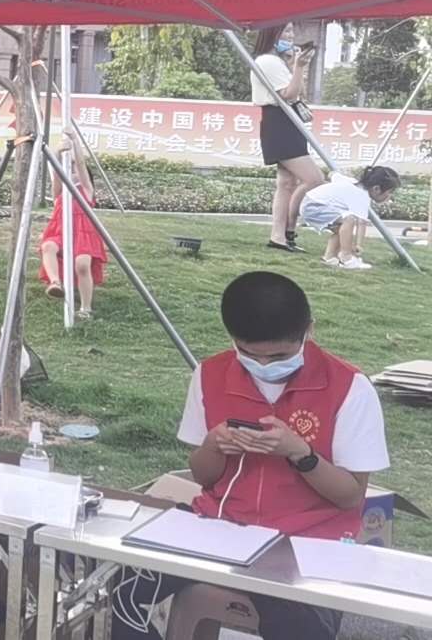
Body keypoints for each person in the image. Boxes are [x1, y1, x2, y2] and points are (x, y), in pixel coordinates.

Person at [112, 271, 388, 640]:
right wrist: (214, 445)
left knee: (298, 626)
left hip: (305, 542)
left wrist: (300, 453)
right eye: (249, 354)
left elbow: (350, 495)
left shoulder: (349, 388)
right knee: (120, 591)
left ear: (309, 330)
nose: (265, 365)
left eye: (280, 356)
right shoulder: (210, 374)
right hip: (219, 526)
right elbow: (204, 477)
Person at [251, 27, 324, 252]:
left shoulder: (278, 61)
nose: (290, 36)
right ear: (272, 32)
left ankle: (279, 237)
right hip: (280, 123)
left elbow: (297, 92)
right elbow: (288, 95)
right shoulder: (268, 61)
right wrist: (299, 67)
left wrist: (296, 67)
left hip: (286, 121)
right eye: (286, 31)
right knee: (314, 179)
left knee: (287, 184)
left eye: (292, 31)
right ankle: (289, 229)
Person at [39, 135, 106, 319]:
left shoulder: (86, 191)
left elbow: (82, 166)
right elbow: (56, 173)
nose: (73, 172)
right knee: (48, 246)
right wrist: (57, 153)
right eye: (70, 169)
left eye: (75, 169)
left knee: (82, 264)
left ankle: (85, 308)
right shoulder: (60, 194)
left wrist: (75, 143)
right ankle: (55, 283)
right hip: (60, 232)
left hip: (83, 234)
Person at [300, 165, 399, 270]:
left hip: (309, 202)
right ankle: (346, 257)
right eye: (389, 192)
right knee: (349, 219)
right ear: (376, 189)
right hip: (314, 207)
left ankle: (329, 258)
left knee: (341, 229)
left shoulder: (352, 182)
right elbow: (361, 223)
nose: (389, 196)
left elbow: (333, 175)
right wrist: (358, 245)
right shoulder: (362, 196)